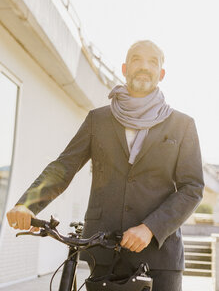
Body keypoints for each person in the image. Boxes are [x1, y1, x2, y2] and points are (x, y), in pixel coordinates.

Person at [7, 40, 204, 291]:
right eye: (136, 59)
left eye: (152, 62)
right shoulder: (97, 119)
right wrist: (27, 204)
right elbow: (63, 167)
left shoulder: (182, 124)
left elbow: (192, 187)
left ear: (161, 73)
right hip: (102, 253)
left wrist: (150, 228)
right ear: (124, 68)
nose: (144, 66)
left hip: (159, 256)